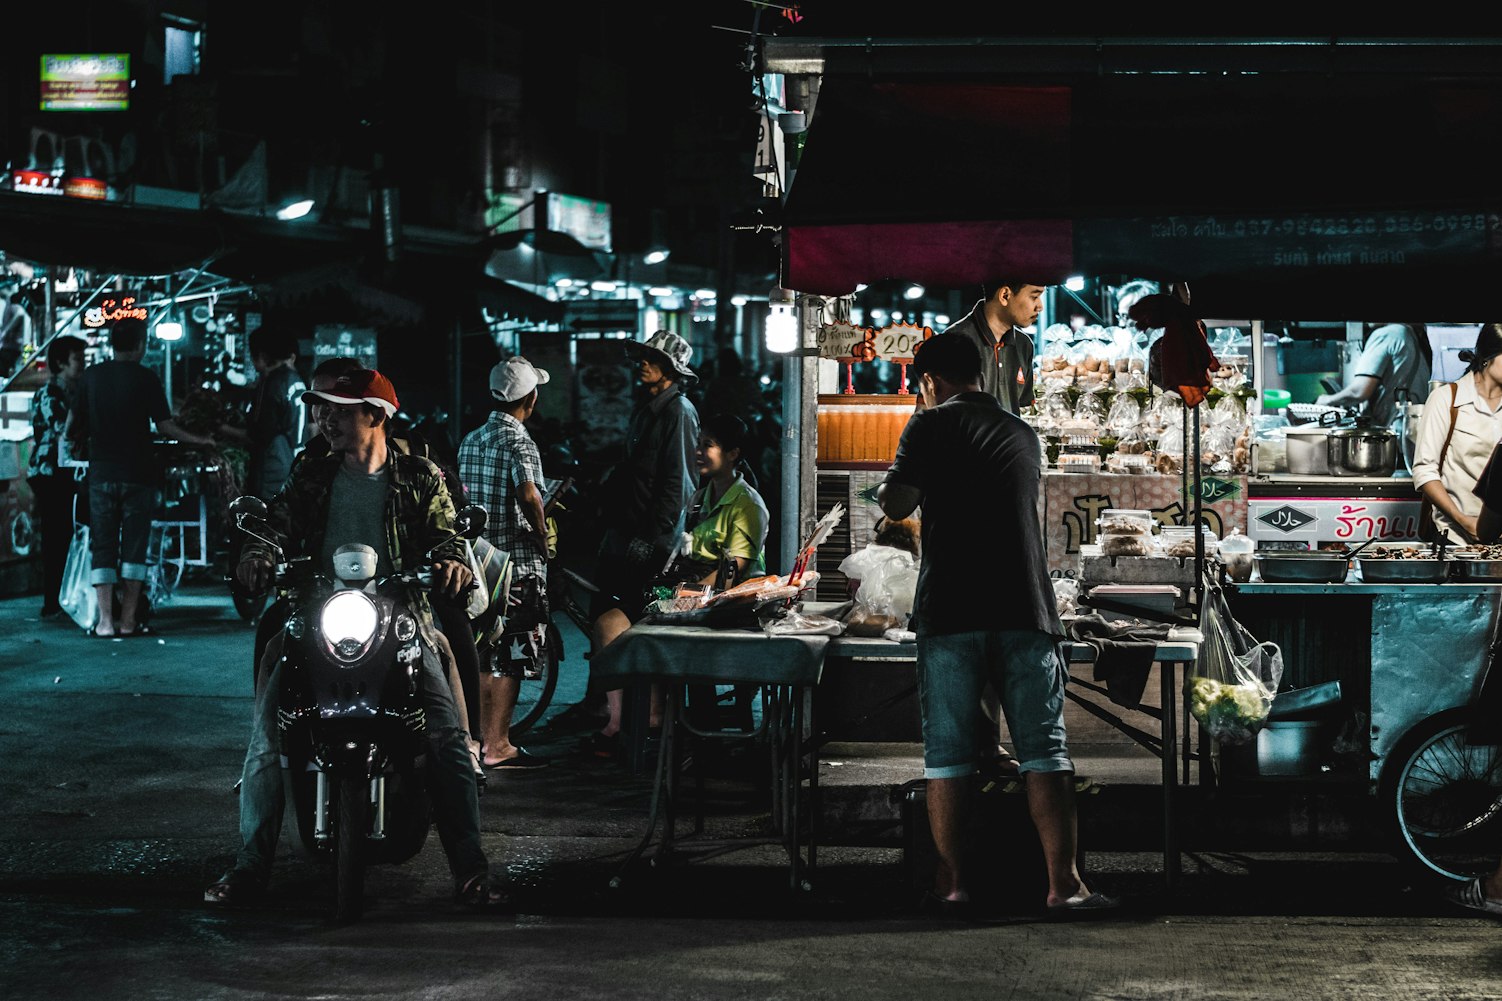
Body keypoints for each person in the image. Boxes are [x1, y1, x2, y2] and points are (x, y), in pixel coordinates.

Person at [204, 367, 501, 908]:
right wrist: (258, 553)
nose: (325, 418)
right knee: (267, 732)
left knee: (445, 735)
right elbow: (277, 524)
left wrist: (451, 561)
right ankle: (249, 865)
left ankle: (471, 869)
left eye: (339, 409)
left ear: (376, 415)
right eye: (321, 408)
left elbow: (447, 534)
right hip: (318, 618)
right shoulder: (312, 472)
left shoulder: (420, 476)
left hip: (402, 619)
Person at [876, 331, 1116, 917]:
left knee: (948, 755)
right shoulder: (1021, 431)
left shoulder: (929, 424)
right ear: (981, 374)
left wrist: (898, 465)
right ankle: (1065, 886)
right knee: (1045, 752)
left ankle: (952, 886)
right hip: (1024, 608)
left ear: (928, 381)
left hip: (953, 610)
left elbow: (897, 504)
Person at [582, 330, 700, 757]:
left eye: (653, 359)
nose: (643, 364)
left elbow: (678, 485)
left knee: (635, 626)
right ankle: (615, 716)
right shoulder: (647, 409)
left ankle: (641, 721)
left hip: (656, 546)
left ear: (672, 369)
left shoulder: (679, 412)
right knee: (607, 622)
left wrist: (652, 542)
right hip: (628, 535)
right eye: (643, 357)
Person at [66, 317, 215, 639]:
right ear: (140, 345)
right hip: (138, 473)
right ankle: (129, 621)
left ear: (112, 344)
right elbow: (166, 426)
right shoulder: (146, 377)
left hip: (101, 473)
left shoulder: (91, 376)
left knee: (103, 545)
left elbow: (71, 426)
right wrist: (201, 440)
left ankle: (105, 622)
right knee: (134, 546)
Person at [457, 356, 553, 770]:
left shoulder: (471, 439)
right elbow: (529, 495)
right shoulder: (520, 442)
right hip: (517, 564)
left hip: (480, 564)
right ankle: (499, 744)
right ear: (530, 399)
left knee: (483, 653)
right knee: (513, 656)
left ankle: (481, 741)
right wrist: (542, 537)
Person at [1412, 323, 1502, 545]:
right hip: (1455, 538)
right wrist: (1463, 520)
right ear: (1487, 357)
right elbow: (1425, 470)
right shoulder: (1447, 400)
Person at [26, 335, 87, 619]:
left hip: (67, 471)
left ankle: (66, 596)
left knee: (68, 534)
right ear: (61, 363)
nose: (82, 364)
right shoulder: (49, 394)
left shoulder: (73, 392)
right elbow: (64, 428)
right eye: (77, 359)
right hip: (49, 472)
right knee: (56, 535)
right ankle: (52, 601)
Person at [217, 324, 307, 499]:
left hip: (273, 474)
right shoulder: (297, 380)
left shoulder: (272, 383)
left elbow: (258, 434)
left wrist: (221, 428)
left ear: (262, 356)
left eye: (252, 356)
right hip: (294, 466)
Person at [940, 278, 1046, 415]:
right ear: (1005, 296)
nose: (1040, 306)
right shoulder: (953, 343)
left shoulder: (1024, 345)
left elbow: (1024, 407)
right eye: (1035, 297)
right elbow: (937, 411)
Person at [1316, 323, 1432, 430]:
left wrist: (1326, 400)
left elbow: (1359, 392)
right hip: (1414, 428)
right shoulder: (1411, 335)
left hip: (1393, 431)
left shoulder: (1387, 334)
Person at [0, 281, 32, 379]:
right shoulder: (8, 304)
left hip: (12, 346)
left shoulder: (14, 303)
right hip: (11, 346)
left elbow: (20, 314)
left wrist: (6, 331)